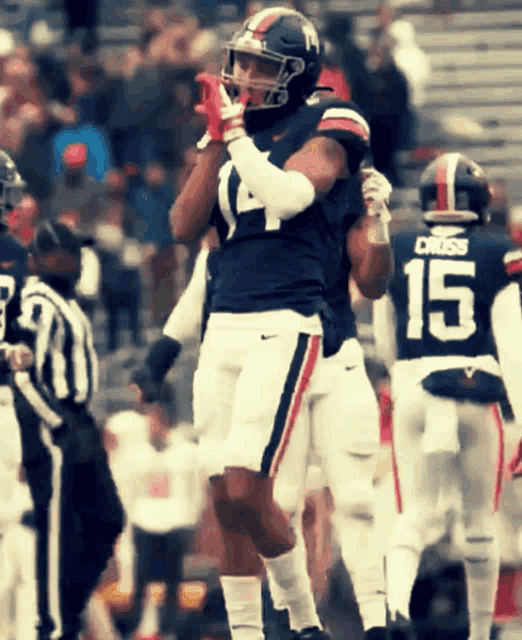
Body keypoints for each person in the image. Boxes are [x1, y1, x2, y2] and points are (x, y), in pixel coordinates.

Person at [372, 152, 522, 640]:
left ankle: (393, 608)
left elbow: (386, 337)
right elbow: (513, 343)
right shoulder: (497, 251)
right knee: (481, 521)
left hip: (417, 386)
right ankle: (481, 632)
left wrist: (407, 376)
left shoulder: (401, 246)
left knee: (413, 513)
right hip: (476, 391)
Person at [11, 220, 125, 640]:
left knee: (106, 520)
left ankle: (67, 611)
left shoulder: (68, 302)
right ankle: (53, 626)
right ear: (38, 260)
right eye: (63, 253)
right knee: (60, 533)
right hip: (58, 423)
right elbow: (23, 374)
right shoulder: (38, 301)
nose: (73, 260)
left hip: (80, 419)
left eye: (75, 252)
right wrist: (56, 424)